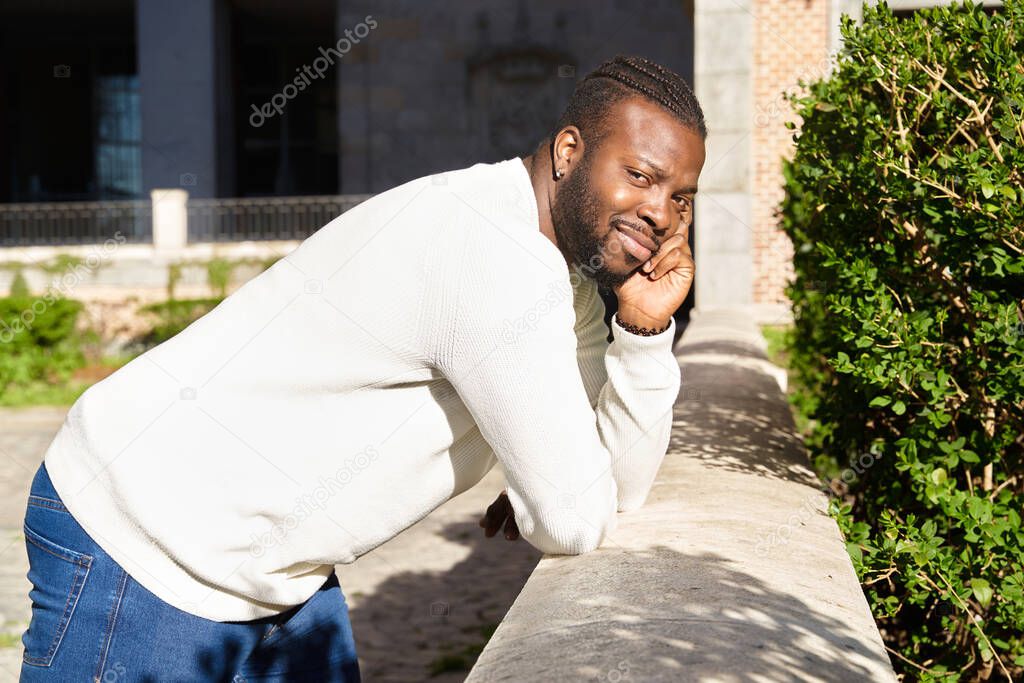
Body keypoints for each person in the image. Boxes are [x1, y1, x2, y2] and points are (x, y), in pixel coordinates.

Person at [20, 54, 705, 681]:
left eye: (682, 195)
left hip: (272, 568)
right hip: (141, 534)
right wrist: (552, 478)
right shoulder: (497, 254)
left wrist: (644, 332)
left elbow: (612, 486)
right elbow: (572, 519)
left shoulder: (567, 279)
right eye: (639, 174)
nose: (660, 211)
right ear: (568, 151)